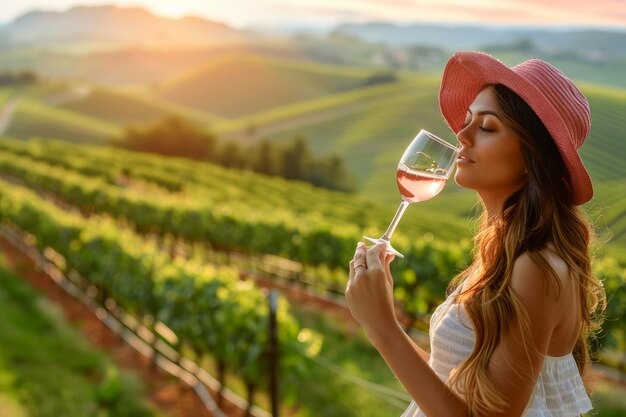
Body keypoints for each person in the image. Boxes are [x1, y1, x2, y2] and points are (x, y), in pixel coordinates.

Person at [345, 51, 606, 417]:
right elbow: (450, 381)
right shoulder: (507, 251)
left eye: (486, 127)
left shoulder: (536, 267)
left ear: (533, 158)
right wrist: (382, 319)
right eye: (467, 121)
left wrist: (382, 328)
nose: (462, 135)